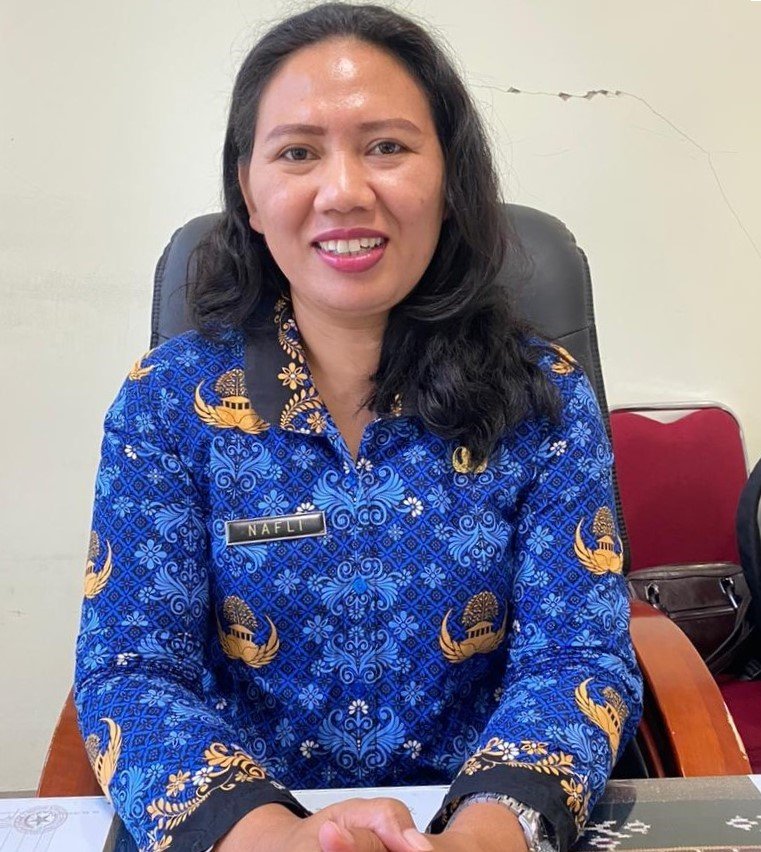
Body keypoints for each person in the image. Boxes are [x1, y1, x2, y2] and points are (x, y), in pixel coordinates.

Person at [74, 4, 642, 851]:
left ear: (448, 179)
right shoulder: (165, 403)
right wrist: (274, 838)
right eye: (298, 152)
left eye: (386, 147)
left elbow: (576, 660)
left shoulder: (544, 398)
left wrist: (477, 839)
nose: (343, 192)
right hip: (244, 826)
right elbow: (131, 671)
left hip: (476, 820)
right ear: (249, 192)